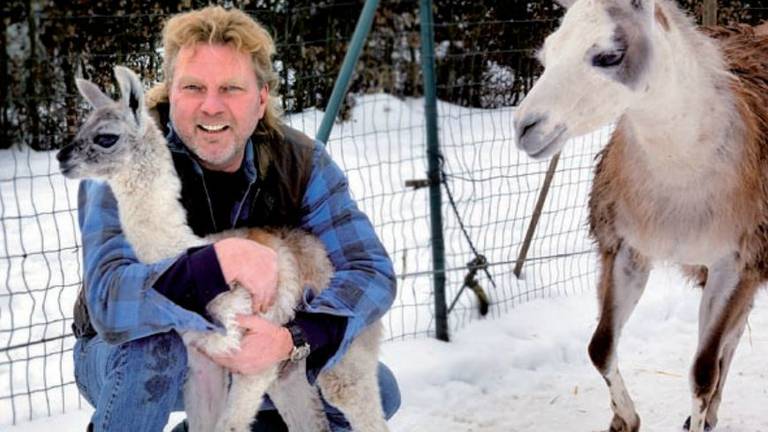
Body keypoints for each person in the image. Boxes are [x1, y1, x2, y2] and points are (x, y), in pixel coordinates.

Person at [71, 6, 400, 431]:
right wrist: (216, 262)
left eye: (230, 88)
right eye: (193, 87)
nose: (211, 106)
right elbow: (110, 304)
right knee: (152, 353)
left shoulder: (300, 163)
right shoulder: (128, 159)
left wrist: (292, 340)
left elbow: (370, 272)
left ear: (261, 99)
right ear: (171, 91)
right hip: (125, 354)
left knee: (374, 387)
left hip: (252, 340)